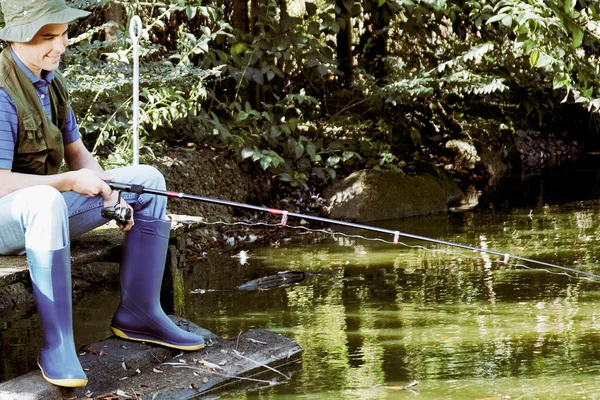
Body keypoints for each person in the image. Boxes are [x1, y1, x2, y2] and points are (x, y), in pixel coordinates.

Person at [0, 0, 205, 388]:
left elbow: (78, 155)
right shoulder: (1, 91)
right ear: (16, 37)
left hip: (44, 211)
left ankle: (140, 315)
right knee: (45, 201)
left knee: (147, 178)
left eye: (62, 35)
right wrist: (67, 182)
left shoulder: (50, 80)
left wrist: (110, 194)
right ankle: (58, 346)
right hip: (8, 218)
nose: (59, 47)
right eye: (47, 37)